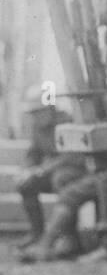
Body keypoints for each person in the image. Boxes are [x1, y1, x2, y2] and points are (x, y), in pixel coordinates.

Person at [14, 97, 88, 253]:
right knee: (25, 184)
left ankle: (69, 237)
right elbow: (33, 153)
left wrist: (41, 170)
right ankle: (37, 233)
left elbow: (72, 155)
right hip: (51, 170)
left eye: (39, 111)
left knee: (61, 179)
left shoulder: (67, 120)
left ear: (51, 109)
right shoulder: (37, 126)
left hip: (75, 169)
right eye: (33, 113)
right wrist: (26, 170)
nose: (36, 116)